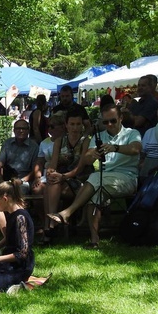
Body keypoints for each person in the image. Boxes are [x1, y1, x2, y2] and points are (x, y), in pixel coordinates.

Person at [47, 104, 141, 248]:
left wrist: (115, 148)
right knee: (94, 193)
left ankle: (67, 213)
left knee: (95, 179)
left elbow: (135, 149)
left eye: (113, 121)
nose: (109, 124)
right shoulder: (99, 137)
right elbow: (87, 158)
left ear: (121, 118)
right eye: (105, 122)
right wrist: (93, 154)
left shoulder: (132, 133)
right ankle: (94, 240)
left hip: (126, 178)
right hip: (103, 179)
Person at [42, 111, 91, 240]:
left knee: (52, 184)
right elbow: (53, 163)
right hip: (61, 178)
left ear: (82, 125)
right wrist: (51, 172)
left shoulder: (86, 141)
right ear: (66, 125)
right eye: (72, 124)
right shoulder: (59, 141)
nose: (75, 127)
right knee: (51, 181)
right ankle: (52, 221)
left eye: (78, 124)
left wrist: (63, 176)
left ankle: (49, 226)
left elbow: (79, 168)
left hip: (80, 178)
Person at [0, 119, 40, 190]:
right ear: (14, 130)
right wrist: (0, 179)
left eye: (24, 128)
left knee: (20, 190)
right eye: (18, 128)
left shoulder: (34, 147)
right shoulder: (7, 143)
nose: (21, 131)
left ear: (28, 130)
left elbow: (35, 170)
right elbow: (0, 163)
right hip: (7, 177)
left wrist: (22, 181)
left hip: (25, 180)